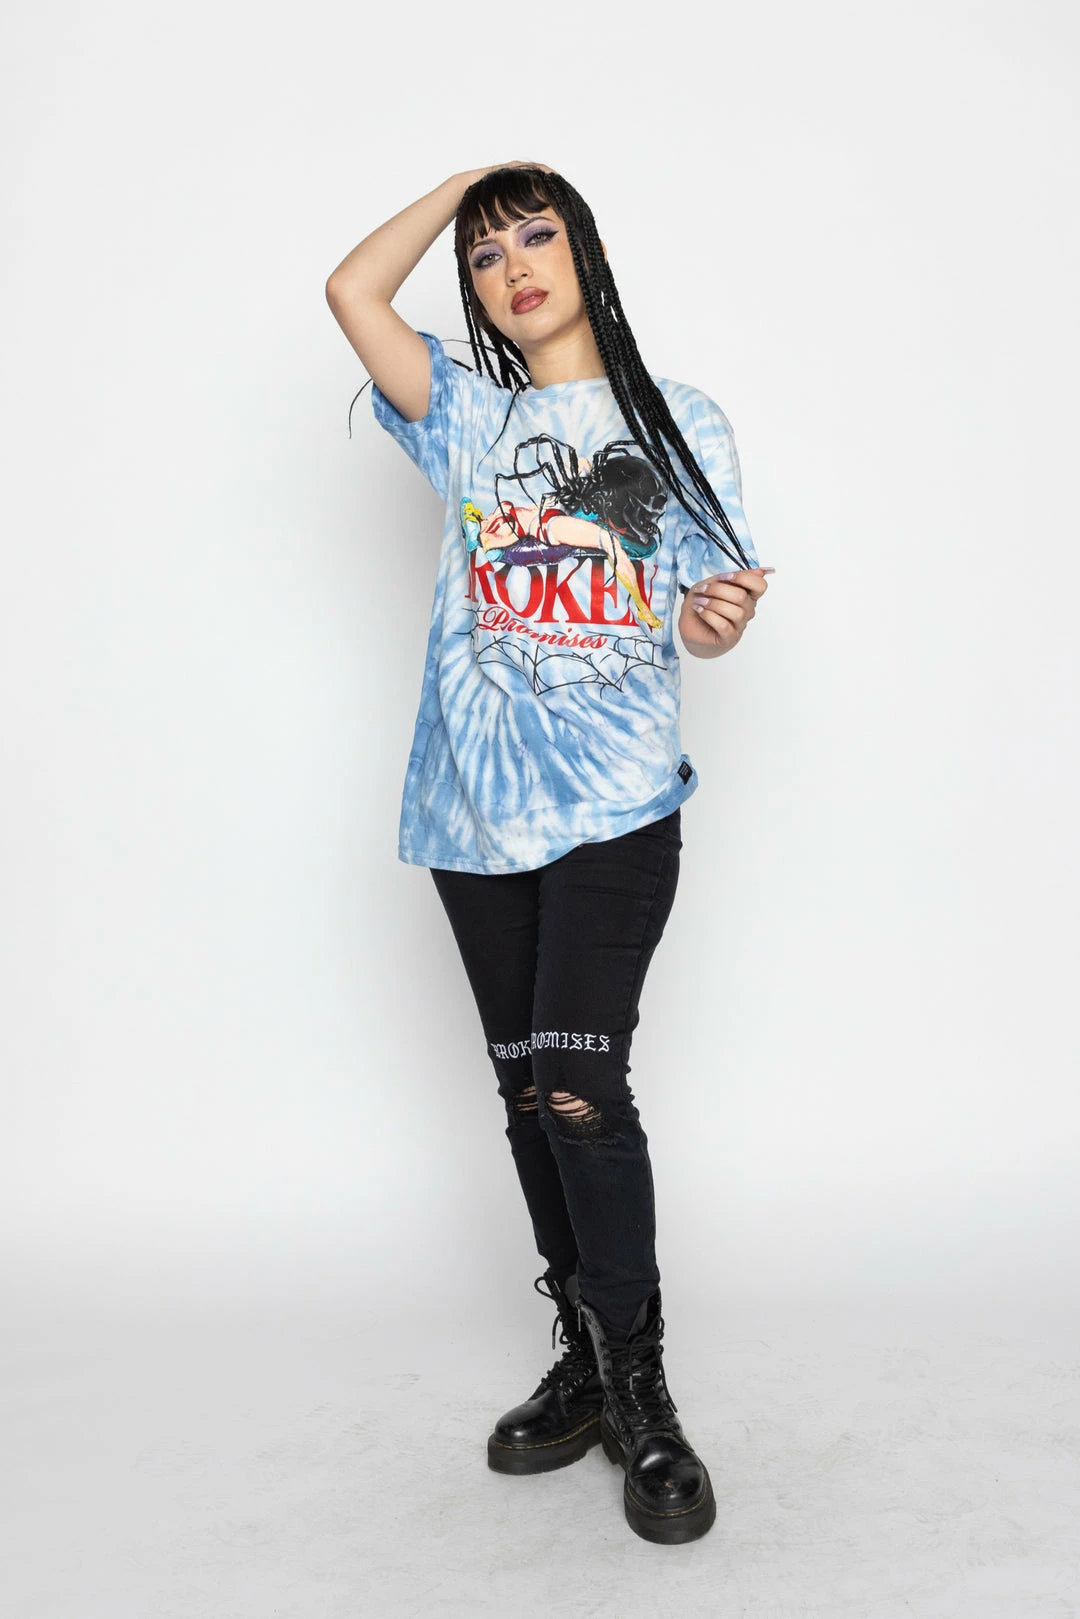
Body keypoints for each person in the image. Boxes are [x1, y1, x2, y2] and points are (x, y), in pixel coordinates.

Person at [325, 162, 772, 1546]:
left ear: (587, 251)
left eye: (537, 233)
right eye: (486, 253)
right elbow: (351, 291)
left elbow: (698, 612)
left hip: (616, 805)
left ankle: (642, 1384)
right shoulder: (468, 418)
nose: (513, 264)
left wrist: (714, 624)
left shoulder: (675, 421)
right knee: (527, 1095)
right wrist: (465, 181)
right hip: (474, 814)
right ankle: (582, 1359)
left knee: (580, 1084)